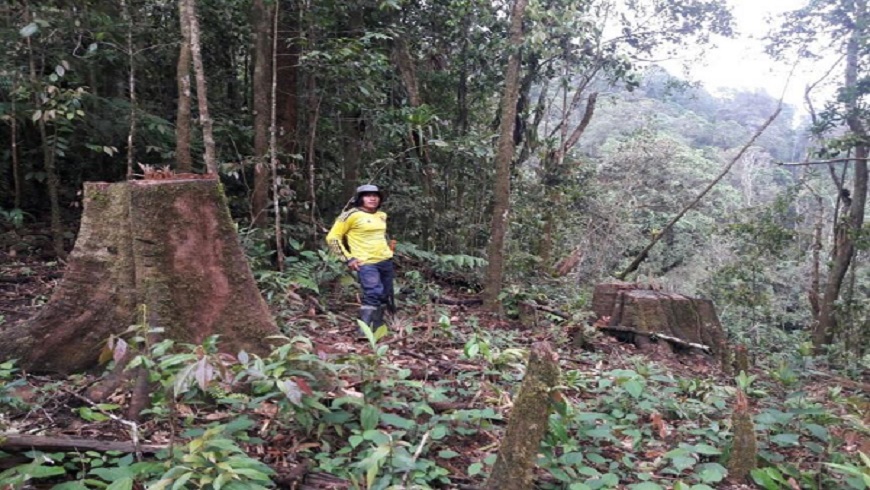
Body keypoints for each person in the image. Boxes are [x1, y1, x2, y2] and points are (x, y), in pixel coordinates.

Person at [326, 184, 395, 332]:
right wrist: (348, 259)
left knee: (385, 294)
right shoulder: (350, 215)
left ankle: (378, 329)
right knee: (372, 293)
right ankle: (363, 331)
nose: (372, 198)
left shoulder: (381, 215)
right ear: (360, 198)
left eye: (375, 196)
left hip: (385, 261)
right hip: (366, 262)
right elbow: (332, 238)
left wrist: (388, 250)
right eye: (368, 195)